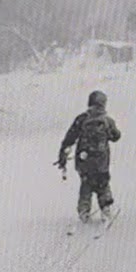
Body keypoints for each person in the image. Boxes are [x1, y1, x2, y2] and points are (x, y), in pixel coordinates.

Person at [56, 90, 121, 222]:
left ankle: (84, 211)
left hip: (83, 160)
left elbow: (69, 138)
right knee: (103, 183)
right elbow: (116, 136)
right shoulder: (107, 121)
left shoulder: (81, 119)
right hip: (101, 161)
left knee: (86, 184)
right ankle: (106, 209)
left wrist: (62, 155)